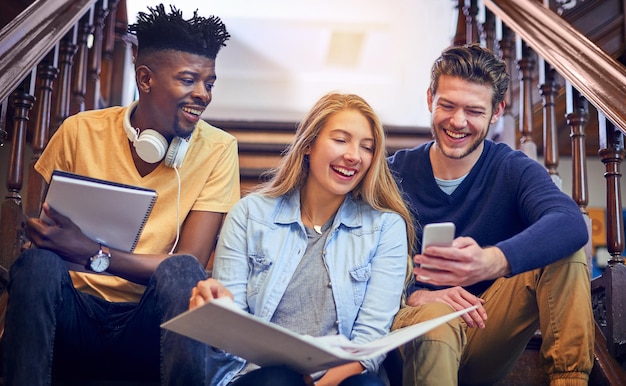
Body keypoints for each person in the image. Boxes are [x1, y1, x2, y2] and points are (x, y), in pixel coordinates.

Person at [3, 4, 239, 385]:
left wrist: (93, 253)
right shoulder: (80, 131)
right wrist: (70, 252)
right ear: (145, 79)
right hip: (74, 313)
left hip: (147, 322)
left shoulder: (218, 149)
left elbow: (189, 261)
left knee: (183, 272)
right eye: (188, 80)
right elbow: (42, 237)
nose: (203, 95)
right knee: (37, 266)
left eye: (209, 83)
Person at [387, 44, 594, 386]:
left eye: (474, 110)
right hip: (414, 335)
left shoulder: (511, 168)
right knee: (436, 317)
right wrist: (415, 294)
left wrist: (492, 261)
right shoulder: (392, 175)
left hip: (485, 329)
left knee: (564, 249)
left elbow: (569, 222)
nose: (458, 121)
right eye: (447, 105)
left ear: (497, 111)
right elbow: (357, 261)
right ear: (429, 100)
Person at [189, 92, 415, 386]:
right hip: (261, 376)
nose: (354, 155)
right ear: (308, 144)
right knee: (279, 380)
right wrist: (221, 310)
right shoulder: (249, 214)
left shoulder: (385, 227)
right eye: (340, 139)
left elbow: (369, 344)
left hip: (342, 378)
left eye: (367, 147)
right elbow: (229, 343)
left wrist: (317, 385)